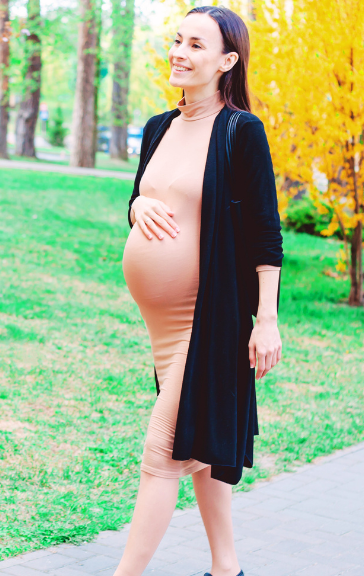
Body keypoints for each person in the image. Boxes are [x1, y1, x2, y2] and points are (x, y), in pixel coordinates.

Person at [119, 6, 283, 576]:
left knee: (164, 455)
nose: (179, 52)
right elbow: (141, 204)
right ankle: (227, 568)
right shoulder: (159, 127)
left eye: (196, 45)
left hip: (209, 319)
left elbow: (265, 233)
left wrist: (267, 320)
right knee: (201, 443)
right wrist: (138, 204)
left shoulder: (241, 132)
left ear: (226, 61)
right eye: (177, 40)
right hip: (161, 329)